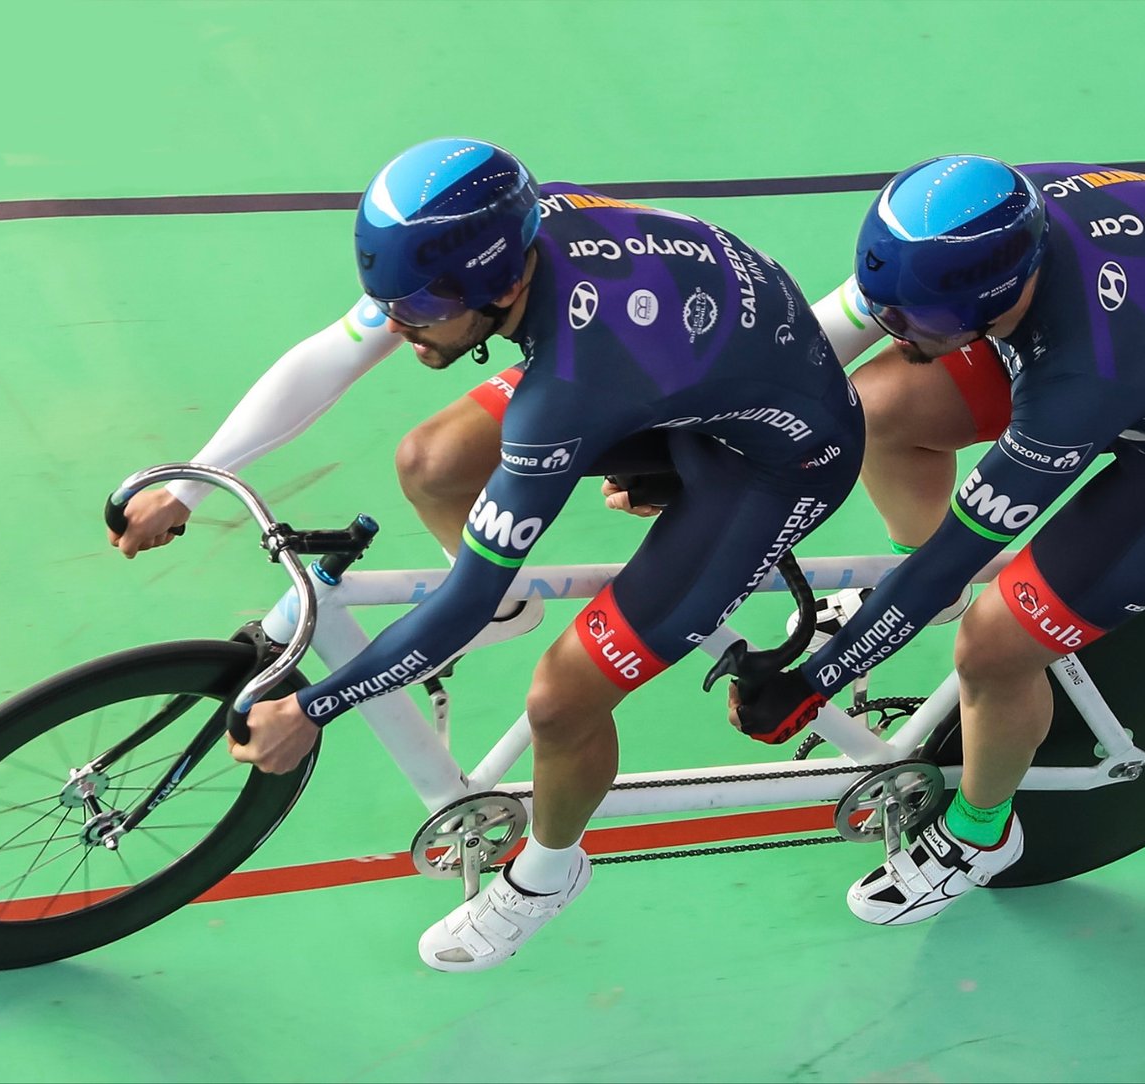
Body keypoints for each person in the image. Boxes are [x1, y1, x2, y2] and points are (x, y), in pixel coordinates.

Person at [109, 137, 866, 970]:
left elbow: (465, 589)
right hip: (680, 381)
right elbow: (337, 349)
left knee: (562, 699)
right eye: (390, 307)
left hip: (771, 466)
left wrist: (313, 708)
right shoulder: (511, 241)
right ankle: (514, 617)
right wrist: (192, 485)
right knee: (431, 462)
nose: (400, 331)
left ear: (503, 286)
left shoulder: (564, 392)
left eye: (419, 318)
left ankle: (548, 874)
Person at [729, 154, 1145, 926]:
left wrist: (816, 681)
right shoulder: (973, 226)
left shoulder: (1080, 383)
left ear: (999, 300)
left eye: (920, 325)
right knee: (871, 408)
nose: (900, 338)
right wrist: (698, 445)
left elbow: (957, 560)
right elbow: (815, 346)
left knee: (996, 643)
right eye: (889, 312)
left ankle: (983, 833)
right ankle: (910, 607)